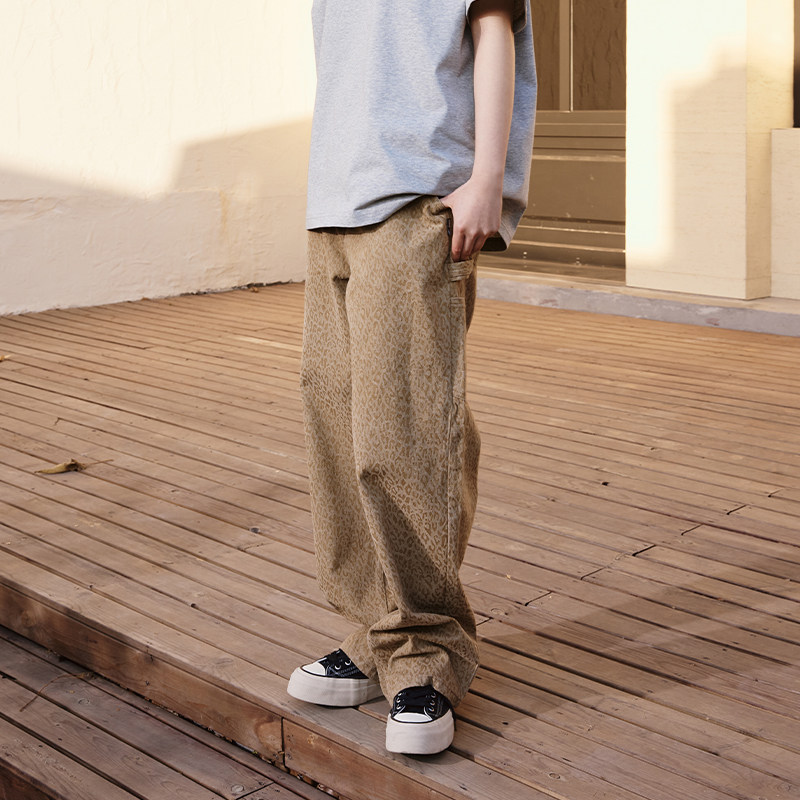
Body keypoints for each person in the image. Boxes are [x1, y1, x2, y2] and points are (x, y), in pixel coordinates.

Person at [287, 0, 537, 756]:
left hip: (416, 196)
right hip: (335, 203)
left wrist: (488, 176)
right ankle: (374, 632)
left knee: (405, 432)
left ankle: (427, 649)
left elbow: (493, 31)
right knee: (337, 424)